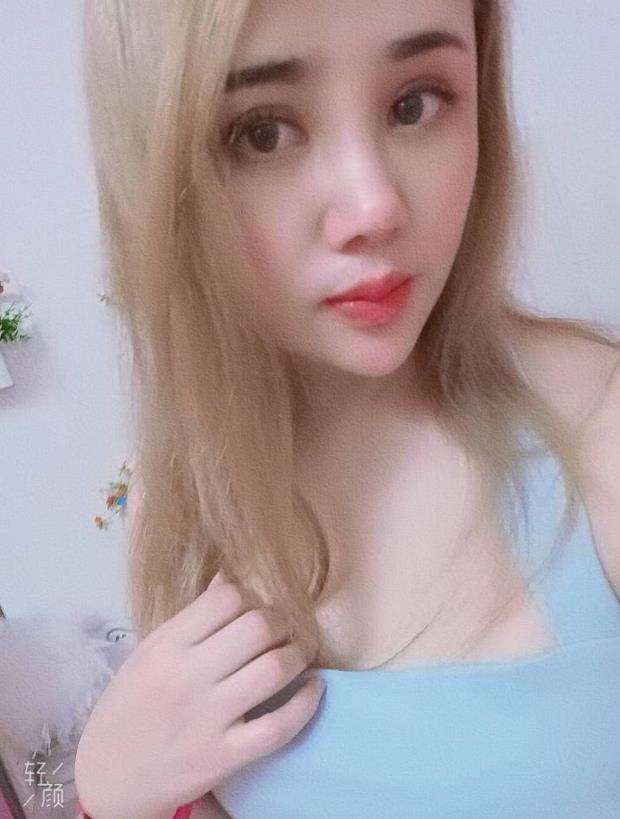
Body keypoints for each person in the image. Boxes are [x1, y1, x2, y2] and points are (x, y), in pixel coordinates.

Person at [75, 0, 620, 817]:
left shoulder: (599, 429)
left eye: (415, 102)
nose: (374, 208)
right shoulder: (189, 500)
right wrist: (115, 791)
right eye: (263, 132)